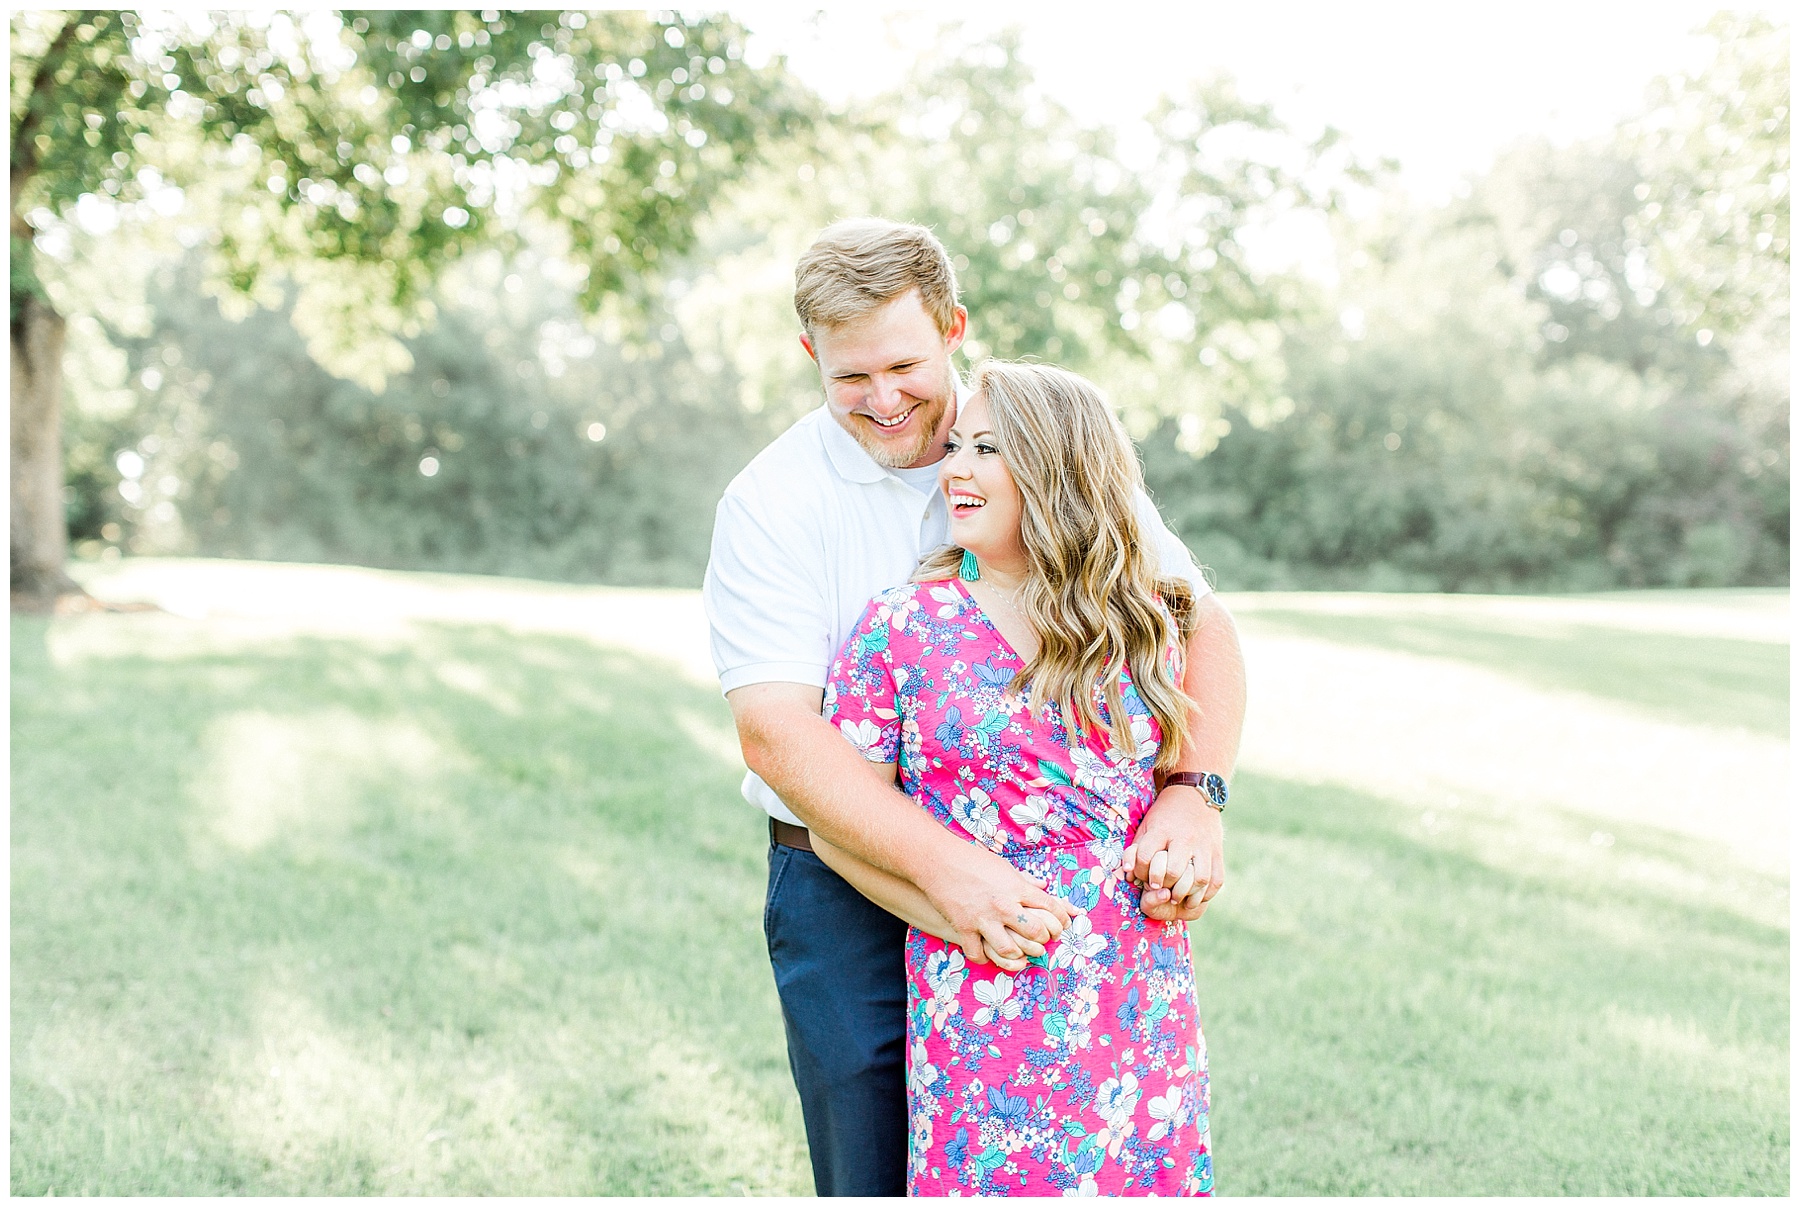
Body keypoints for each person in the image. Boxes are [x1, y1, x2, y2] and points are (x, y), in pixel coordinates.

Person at [703, 219, 1245, 1196]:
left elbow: (1193, 624)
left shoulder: (1042, 443)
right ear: (809, 356)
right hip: (848, 866)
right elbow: (778, 733)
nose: (884, 398)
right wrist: (947, 876)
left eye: (904, 363)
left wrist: (1191, 794)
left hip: (1074, 886)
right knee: (879, 1158)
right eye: (849, 376)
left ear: (953, 326)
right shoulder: (773, 503)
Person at [817, 361, 1216, 1194]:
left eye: (988, 448)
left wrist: (1187, 833)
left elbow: (1170, 783)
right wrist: (951, 916)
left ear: (1057, 467)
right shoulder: (902, 627)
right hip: (983, 993)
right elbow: (836, 822)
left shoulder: (1140, 621)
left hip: (1135, 994)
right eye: (957, 445)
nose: (956, 466)